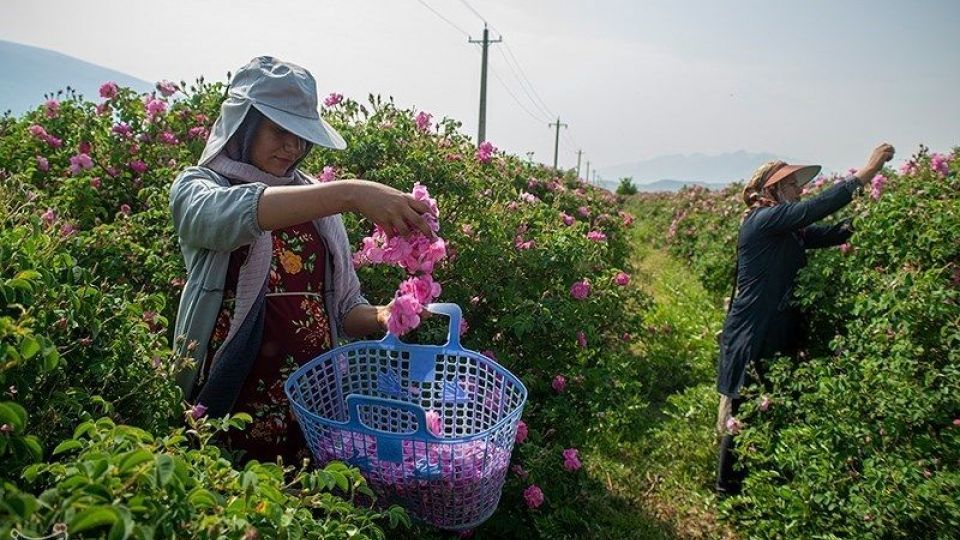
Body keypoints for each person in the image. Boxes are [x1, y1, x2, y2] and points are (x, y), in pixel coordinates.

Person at [169, 56, 434, 465]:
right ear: (244, 124)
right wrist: (349, 193)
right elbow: (232, 214)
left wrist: (388, 315)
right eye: (279, 130)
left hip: (311, 404)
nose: (293, 147)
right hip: (232, 399)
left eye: (300, 135)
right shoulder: (199, 187)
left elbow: (343, 308)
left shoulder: (318, 203)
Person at [714, 143, 895, 495]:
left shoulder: (787, 231)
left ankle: (755, 483)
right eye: (793, 185)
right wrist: (866, 173)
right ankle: (727, 492)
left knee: (764, 404)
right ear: (773, 190)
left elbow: (832, 232)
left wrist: (874, 219)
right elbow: (816, 209)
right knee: (745, 408)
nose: (800, 190)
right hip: (754, 331)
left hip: (772, 330)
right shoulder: (764, 220)